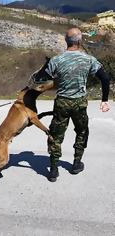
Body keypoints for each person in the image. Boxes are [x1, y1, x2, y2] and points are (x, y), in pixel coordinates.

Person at [41, 27, 110, 182]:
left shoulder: (56, 60)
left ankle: (53, 169)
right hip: (79, 103)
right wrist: (104, 100)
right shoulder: (89, 59)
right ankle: (76, 163)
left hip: (62, 103)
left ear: (66, 41)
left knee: (56, 135)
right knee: (82, 132)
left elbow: (43, 80)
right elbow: (105, 79)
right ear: (80, 41)